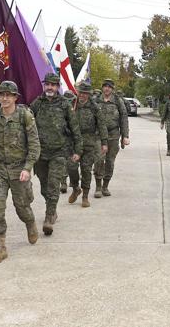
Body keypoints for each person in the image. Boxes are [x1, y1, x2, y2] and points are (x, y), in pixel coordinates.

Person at [0, 81, 41, 264]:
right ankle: (0, 246)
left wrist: (27, 167)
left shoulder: (25, 116)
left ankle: (30, 223)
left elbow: (34, 145)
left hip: (19, 168)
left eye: (9, 95)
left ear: (16, 97)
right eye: (2, 95)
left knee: (22, 206)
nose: (5, 98)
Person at [31, 73, 82, 236]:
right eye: (47, 84)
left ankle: (48, 218)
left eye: (53, 85)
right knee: (44, 186)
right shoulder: (37, 103)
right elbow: (27, 123)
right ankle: (52, 209)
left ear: (58, 87)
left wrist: (77, 150)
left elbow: (74, 128)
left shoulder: (65, 104)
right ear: (44, 86)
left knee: (53, 185)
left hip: (59, 152)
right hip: (40, 153)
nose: (50, 87)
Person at [67, 83, 108, 208]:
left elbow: (101, 125)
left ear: (89, 94)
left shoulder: (94, 107)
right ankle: (75, 188)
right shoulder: (71, 104)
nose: (82, 95)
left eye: (85, 93)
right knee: (71, 167)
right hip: (73, 142)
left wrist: (104, 142)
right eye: (81, 92)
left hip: (89, 141)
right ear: (77, 92)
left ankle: (85, 196)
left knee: (86, 170)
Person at [93, 79, 129, 197]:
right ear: (102, 88)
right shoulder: (95, 100)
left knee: (110, 161)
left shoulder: (118, 101)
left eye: (109, 87)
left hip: (113, 134)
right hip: (98, 135)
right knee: (99, 159)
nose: (107, 88)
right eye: (105, 86)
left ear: (112, 89)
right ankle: (98, 186)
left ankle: (105, 186)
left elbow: (124, 119)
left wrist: (125, 136)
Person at [59, 90, 77, 194]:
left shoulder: (76, 108)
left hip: (74, 139)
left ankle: (74, 183)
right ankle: (63, 183)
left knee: (73, 163)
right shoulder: (60, 109)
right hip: (63, 138)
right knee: (63, 161)